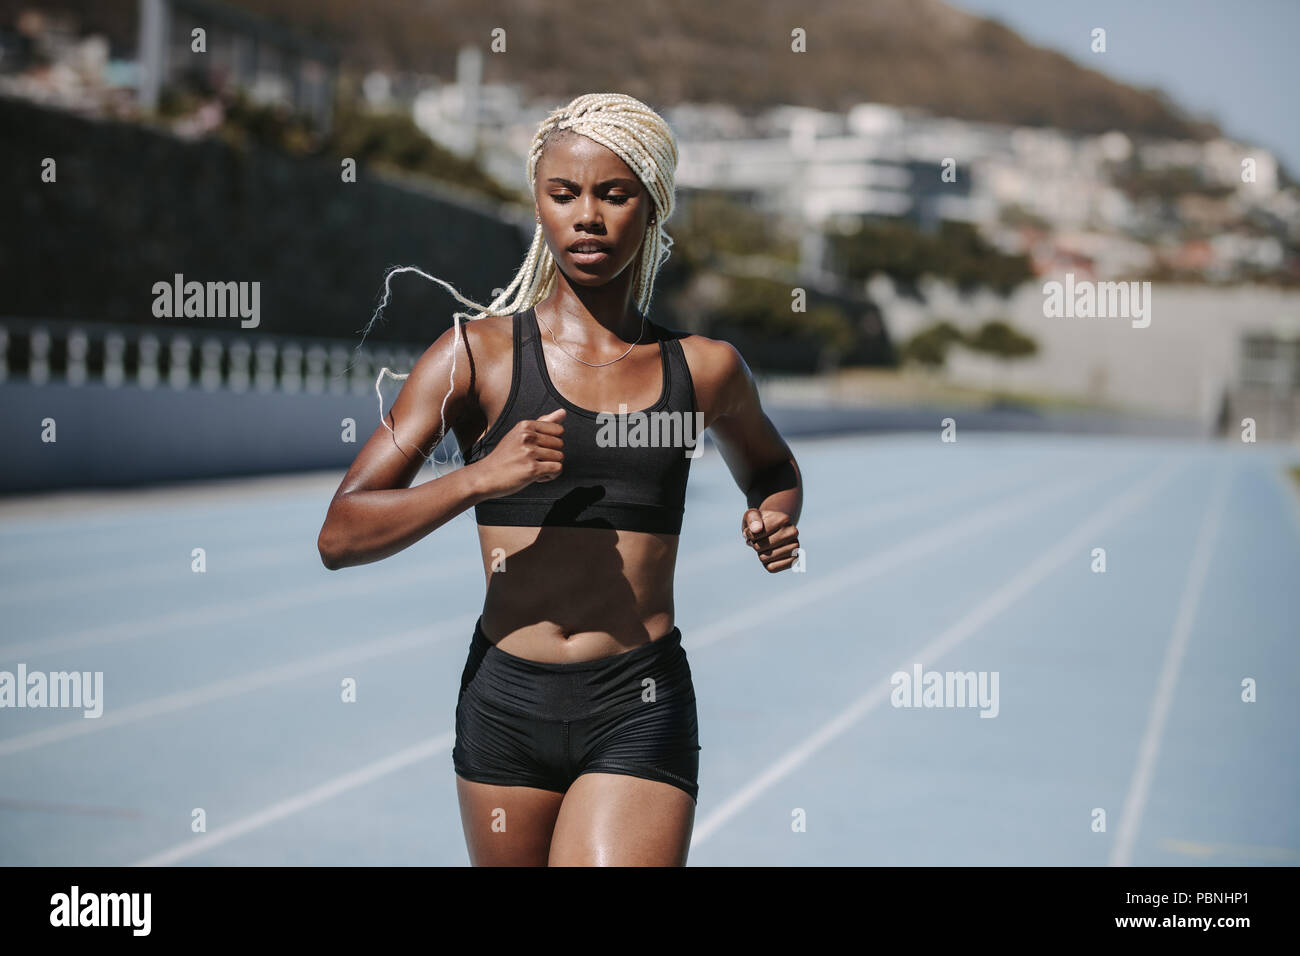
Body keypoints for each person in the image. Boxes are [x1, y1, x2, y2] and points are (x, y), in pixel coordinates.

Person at [317, 93, 803, 866]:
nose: (587, 217)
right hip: (505, 702)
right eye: (563, 193)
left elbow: (772, 467)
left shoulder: (706, 369)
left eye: (615, 195)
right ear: (538, 204)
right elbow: (340, 535)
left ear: (653, 209)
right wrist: (480, 478)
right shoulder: (473, 358)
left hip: (636, 701)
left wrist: (774, 516)